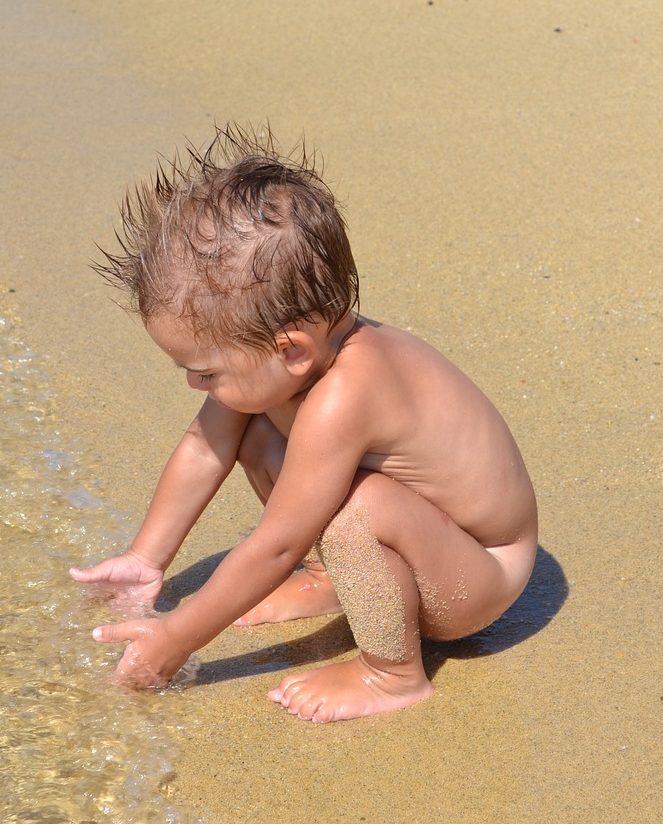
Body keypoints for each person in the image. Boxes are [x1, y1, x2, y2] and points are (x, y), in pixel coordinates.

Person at [70, 126, 538, 722]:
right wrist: (146, 558)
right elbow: (202, 446)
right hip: (426, 537)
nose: (194, 385)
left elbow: (277, 543)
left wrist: (177, 638)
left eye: (204, 371)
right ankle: (332, 579)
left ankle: (391, 673)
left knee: (351, 514)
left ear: (291, 349)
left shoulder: (348, 392)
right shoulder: (285, 356)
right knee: (253, 427)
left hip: (480, 574)